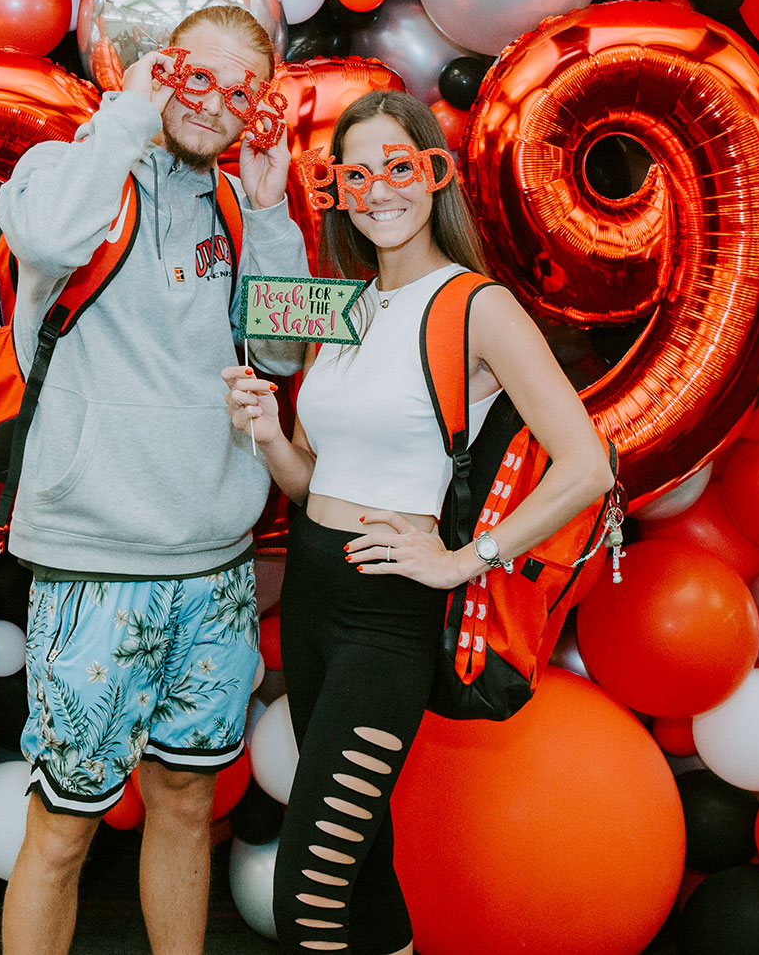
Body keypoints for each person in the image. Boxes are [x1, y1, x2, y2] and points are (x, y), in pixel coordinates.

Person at [222, 90, 613, 955]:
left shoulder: (476, 306)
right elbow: (309, 476)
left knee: (307, 900)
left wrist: (463, 559)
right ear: (337, 193)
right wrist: (262, 435)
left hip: (385, 617)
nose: (378, 189)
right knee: (363, 875)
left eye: (400, 166)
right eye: (355, 174)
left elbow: (590, 465)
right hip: (315, 608)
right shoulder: (339, 306)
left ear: (435, 176)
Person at [0, 4, 311, 955]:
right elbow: (45, 238)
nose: (213, 103)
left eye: (240, 90)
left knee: (184, 800)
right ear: (154, 71)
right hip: (96, 557)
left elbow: (284, 351)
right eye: (194, 75)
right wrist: (128, 113)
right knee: (61, 829)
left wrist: (266, 211)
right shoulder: (71, 173)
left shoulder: (234, 203)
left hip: (213, 565)